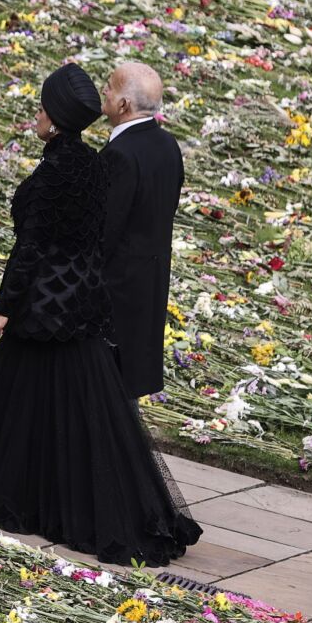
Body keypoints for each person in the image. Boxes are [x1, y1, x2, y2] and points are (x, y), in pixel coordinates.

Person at [0, 63, 201, 566]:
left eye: (113, 89)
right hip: (129, 293)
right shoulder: (161, 148)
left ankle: (65, 498)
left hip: (78, 299)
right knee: (84, 408)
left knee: (81, 414)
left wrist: (15, 305)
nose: (107, 95)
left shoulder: (107, 158)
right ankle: (52, 491)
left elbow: (62, 241)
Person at [97, 61, 183, 398]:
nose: (104, 90)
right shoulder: (168, 146)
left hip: (115, 293)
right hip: (148, 289)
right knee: (123, 393)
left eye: (110, 86)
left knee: (103, 393)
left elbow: (104, 231)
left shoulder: (120, 153)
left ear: (123, 105)